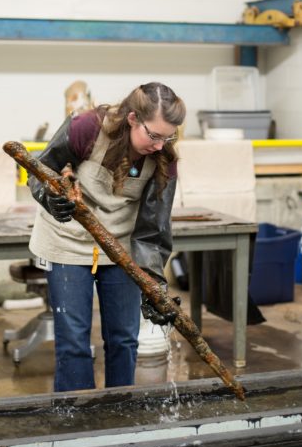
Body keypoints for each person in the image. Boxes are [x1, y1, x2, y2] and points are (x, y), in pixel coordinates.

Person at [28, 82, 186, 392]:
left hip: (121, 248)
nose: (159, 145)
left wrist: (154, 285)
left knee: (124, 339)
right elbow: (39, 168)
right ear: (131, 119)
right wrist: (49, 197)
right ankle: (76, 424)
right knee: (74, 341)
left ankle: (119, 417)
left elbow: (153, 231)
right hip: (67, 242)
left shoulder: (164, 160)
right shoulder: (86, 127)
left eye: (168, 136)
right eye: (153, 135)